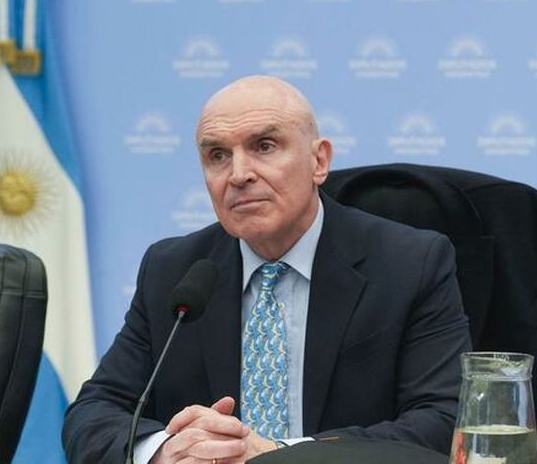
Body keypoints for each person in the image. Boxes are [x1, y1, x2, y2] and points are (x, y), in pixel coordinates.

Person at [63, 76, 471, 463]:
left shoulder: (409, 263)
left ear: (319, 160)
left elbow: (445, 420)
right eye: (217, 156)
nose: (239, 174)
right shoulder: (173, 270)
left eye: (264, 146)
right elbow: (93, 412)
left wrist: (280, 455)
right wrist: (167, 451)